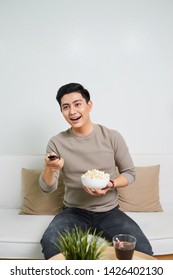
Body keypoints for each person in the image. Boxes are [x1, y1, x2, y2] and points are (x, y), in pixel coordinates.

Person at [39, 82, 153, 259]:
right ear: (61, 111)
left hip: (110, 211)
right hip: (73, 211)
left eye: (78, 104)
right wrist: (49, 167)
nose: (73, 112)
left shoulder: (112, 137)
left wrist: (111, 184)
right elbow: (47, 188)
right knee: (50, 243)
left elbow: (130, 173)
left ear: (89, 105)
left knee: (142, 249)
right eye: (66, 107)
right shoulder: (57, 142)